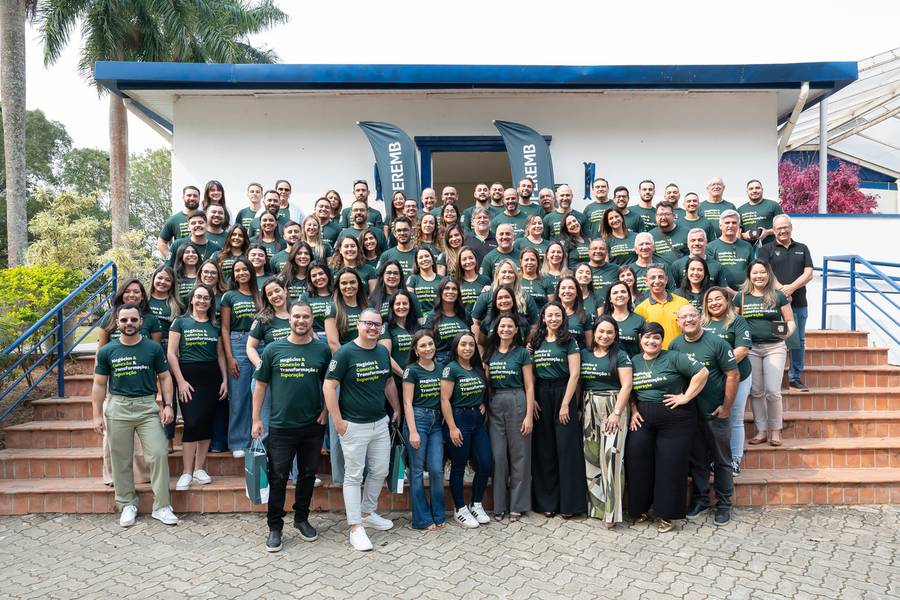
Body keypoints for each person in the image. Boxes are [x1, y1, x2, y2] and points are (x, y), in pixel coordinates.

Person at [251, 301, 332, 552]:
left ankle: (301, 518)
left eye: (306, 317)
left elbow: (329, 385)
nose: (301, 321)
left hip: (312, 425)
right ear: (290, 320)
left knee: (307, 475)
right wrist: (256, 419)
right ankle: (275, 527)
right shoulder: (273, 349)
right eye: (297, 316)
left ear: (311, 320)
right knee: (278, 477)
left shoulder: (322, 350)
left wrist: (326, 411)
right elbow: (260, 385)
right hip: (281, 426)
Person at [91, 304, 178, 528]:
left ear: (141, 321)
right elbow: (99, 384)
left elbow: (165, 377)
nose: (129, 323)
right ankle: (127, 503)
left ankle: (162, 506)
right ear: (117, 323)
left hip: (147, 408)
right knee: (120, 458)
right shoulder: (108, 351)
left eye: (133, 319)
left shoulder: (153, 348)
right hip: (118, 408)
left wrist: (168, 405)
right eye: (124, 320)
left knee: (158, 453)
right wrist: (96, 415)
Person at [323, 308, 401, 551]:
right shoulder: (345, 353)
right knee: (354, 476)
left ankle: (367, 512)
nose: (373, 328)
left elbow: (389, 381)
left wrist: (396, 408)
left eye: (377, 325)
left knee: (379, 470)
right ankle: (355, 527)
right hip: (353, 425)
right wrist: (338, 422)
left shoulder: (382, 351)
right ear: (358, 324)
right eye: (368, 323)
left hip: (379, 423)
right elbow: (328, 386)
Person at [625, 322, 708, 533]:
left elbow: (702, 372)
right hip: (642, 419)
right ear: (640, 339)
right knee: (637, 460)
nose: (651, 341)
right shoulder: (634, 361)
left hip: (676, 421)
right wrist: (633, 409)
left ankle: (666, 515)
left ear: (662, 341)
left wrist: (686, 397)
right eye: (647, 337)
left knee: (670, 466)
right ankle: (640, 509)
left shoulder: (673, 357)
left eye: (656, 338)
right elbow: (628, 388)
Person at [670, 305, 738, 526]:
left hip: (715, 412)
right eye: (684, 317)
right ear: (678, 322)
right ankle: (701, 499)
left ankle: (724, 503)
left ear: (700, 318)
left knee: (722, 459)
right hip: (690, 415)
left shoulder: (717, 343)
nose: (688, 320)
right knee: (698, 459)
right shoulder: (675, 345)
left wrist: (726, 407)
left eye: (692, 315)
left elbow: (733, 375)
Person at [167, 284, 228, 491]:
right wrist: (181, 381)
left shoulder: (214, 325)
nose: (202, 301)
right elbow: (171, 354)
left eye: (206, 298)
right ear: (192, 299)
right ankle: (186, 472)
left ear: (211, 303)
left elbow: (220, 355)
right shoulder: (180, 322)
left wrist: (225, 381)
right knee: (192, 423)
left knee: (205, 423)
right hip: (188, 377)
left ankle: (199, 469)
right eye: (198, 297)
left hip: (212, 377)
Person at [528, 302, 584, 518]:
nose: (553, 319)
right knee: (544, 449)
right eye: (549, 315)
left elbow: (575, 374)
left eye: (557, 315)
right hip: (541, 394)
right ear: (543, 318)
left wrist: (566, 404)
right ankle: (547, 502)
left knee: (567, 449)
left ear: (563, 318)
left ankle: (570, 505)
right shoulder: (536, 341)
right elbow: (532, 372)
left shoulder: (569, 341)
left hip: (563, 392)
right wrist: (533, 399)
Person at [735, 260, 796, 447]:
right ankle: (761, 431)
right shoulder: (741, 297)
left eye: (762, 272)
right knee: (756, 391)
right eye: (755, 273)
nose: (759, 276)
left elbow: (790, 321)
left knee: (772, 391)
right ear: (749, 275)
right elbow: (734, 322)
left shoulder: (778, 296)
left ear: (768, 274)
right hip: (751, 349)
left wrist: (787, 333)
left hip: (774, 347)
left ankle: (775, 430)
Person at [580, 315, 633, 526]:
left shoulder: (620, 355)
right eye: (601, 331)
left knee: (612, 459)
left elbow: (627, 385)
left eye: (610, 332)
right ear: (594, 332)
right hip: (588, 406)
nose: (605, 335)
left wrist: (617, 413)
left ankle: (612, 513)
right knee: (591, 459)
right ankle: (597, 508)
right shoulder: (584, 354)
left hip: (613, 405)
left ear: (615, 335)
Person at [484, 313, 535, 521]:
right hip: (495, 403)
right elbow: (486, 383)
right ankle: (499, 505)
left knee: (520, 455)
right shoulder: (490, 353)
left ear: (515, 330)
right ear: (497, 329)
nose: (505, 329)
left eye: (509, 326)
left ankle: (517, 505)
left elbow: (529, 386)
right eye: (502, 326)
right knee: (498, 456)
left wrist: (529, 416)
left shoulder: (522, 353)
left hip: (517, 401)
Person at [440, 332, 492, 528]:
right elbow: (444, 399)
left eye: (471, 344)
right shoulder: (451, 369)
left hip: (476, 420)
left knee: (485, 463)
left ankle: (476, 504)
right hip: (458, 419)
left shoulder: (478, 368)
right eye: (463, 344)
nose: (468, 348)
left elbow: (483, 391)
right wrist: (452, 427)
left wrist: (483, 403)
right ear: (456, 347)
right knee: (459, 466)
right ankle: (460, 509)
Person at [757, 214, 813, 391]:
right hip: (775, 306)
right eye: (779, 228)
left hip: (798, 303)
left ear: (791, 227)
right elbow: (765, 273)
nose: (782, 230)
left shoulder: (802, 248)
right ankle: (776, 377)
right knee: (777, 339)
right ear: (773, 230)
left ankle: (795, 378)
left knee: (798, 340)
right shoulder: (766, 250)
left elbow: (808, 273)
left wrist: (791, 288)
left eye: (785, 227)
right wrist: (782, 291)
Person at [702, 286, 753, 475]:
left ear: (727, 301)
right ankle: (714, 459)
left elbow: (742, 349)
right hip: (712, 381)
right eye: (709, 300)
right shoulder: (702, 322)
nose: (714, 303)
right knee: (713, 418)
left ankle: (734, 460)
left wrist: (718, 366)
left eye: (718, 299)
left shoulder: (737, 321)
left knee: (734, 417)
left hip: (738, 376)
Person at [401, 331, 446, 530]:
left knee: (436, 469)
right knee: (417, 471)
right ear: (416, 350)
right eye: (423, 345)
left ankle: (438, 514)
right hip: (418, 420)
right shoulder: (412, 370)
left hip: (436, 423)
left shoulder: (441, 368)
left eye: (430, 344)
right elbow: (407, 402)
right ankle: (422, 519)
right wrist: (412, 431)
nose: (428, 348)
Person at [220, 257, 260, 457]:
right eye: (237, 270)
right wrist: (229, 357)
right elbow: (224, 328)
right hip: (237, 342)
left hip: (260, 342)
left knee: (259, 392)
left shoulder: (259, 295)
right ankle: (238, 442)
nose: (241, 273)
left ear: (251, 272)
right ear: (233, 275)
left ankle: (258, 440)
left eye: (245, 269)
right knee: (239, 394)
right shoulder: (229, 296)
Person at [634, 264, 690, 347]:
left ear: (666, 280)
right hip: (655, 353)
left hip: (679, 352)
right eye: (653, 278)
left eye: (660, 277)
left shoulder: (683, 303)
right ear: (646, 281)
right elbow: (640, 339)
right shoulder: (640, 309)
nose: (657, 281)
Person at [422, 278, 470, 365]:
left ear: (458, 293)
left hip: (463, 362)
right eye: (447, 288)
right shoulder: (431, 316)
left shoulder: (465, 314)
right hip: (441, 363)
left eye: (454, 289)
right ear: (440, 292)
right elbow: (426, 344)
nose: (450, 291)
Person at [379, 289, 420, 388]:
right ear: (392, 306)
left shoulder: (417, 326)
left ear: (410, 305)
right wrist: (405, 376)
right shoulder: (386, 327)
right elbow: (385, 356)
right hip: (396, 379)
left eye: (405, 303)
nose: (401, 307)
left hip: (417, 378)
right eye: (398, 304)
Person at [707, 210, 755, 290]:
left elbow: (753, 269)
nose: (731, 225)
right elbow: (711, 274)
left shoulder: (747, 246)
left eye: (734, 223)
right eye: (727, 223)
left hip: (744, 292)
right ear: (720, 226)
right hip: (720, 292)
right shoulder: (710, 247)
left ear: (739, 226)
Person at [325, 268, 368, 351]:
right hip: (344, 355)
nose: (348, 286)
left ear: (358, 284)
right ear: (338, 286)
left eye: (352, 282)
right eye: (344, 283)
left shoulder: (367, 306)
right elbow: (333, 343)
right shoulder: (333, 308)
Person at [601, 281, 646, 357]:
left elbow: (643, 351)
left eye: (623, 292)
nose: (620, 295)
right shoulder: (603, 320)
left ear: (629, 296)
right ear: (610, 299)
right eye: (615, 293)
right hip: (608, 363)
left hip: (632, 363)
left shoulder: (639, 320)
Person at [158, 185, 200, 257]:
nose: (192, 198)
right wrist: (171, 259)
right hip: (182, 261)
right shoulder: (174, 219)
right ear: (183, 197)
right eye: (189, 195)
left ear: (199, 198)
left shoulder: (205, 219)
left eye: (195, 196)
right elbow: (161, 242)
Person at [738, 179, 783, 245]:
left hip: (771, 247)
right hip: (748, 248)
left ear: (762, 189)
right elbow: (736, 232)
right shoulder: (740, 210)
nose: (754, 191)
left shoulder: (773, 205)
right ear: (747, 192)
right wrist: (744, 235)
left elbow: (783, 227)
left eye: (757, 188)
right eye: (751, 189)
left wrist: (767, 232)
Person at [300, 261, 334, 339]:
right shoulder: (305, 297)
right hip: (315, 337)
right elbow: (303, 321)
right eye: (314, 276)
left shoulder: (337, 294)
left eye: (321, 273)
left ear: (327, 274)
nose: (318, 278)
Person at [458, 247, 490, 319]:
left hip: (481, 321)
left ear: (475, 259)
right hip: (463, 321)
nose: (468, 261)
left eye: (471, 258)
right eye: (464, 259)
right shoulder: (456, 282)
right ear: (459, 262)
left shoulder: (486, 280)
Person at [406, 247, 441, 314]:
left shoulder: (442, 279)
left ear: (432, 260)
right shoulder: (412, 279)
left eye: (427, 256)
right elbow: (409, 300)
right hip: (419, 317)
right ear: (417, 263)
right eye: (420, 257)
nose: (424, 259)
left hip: (438, 317)